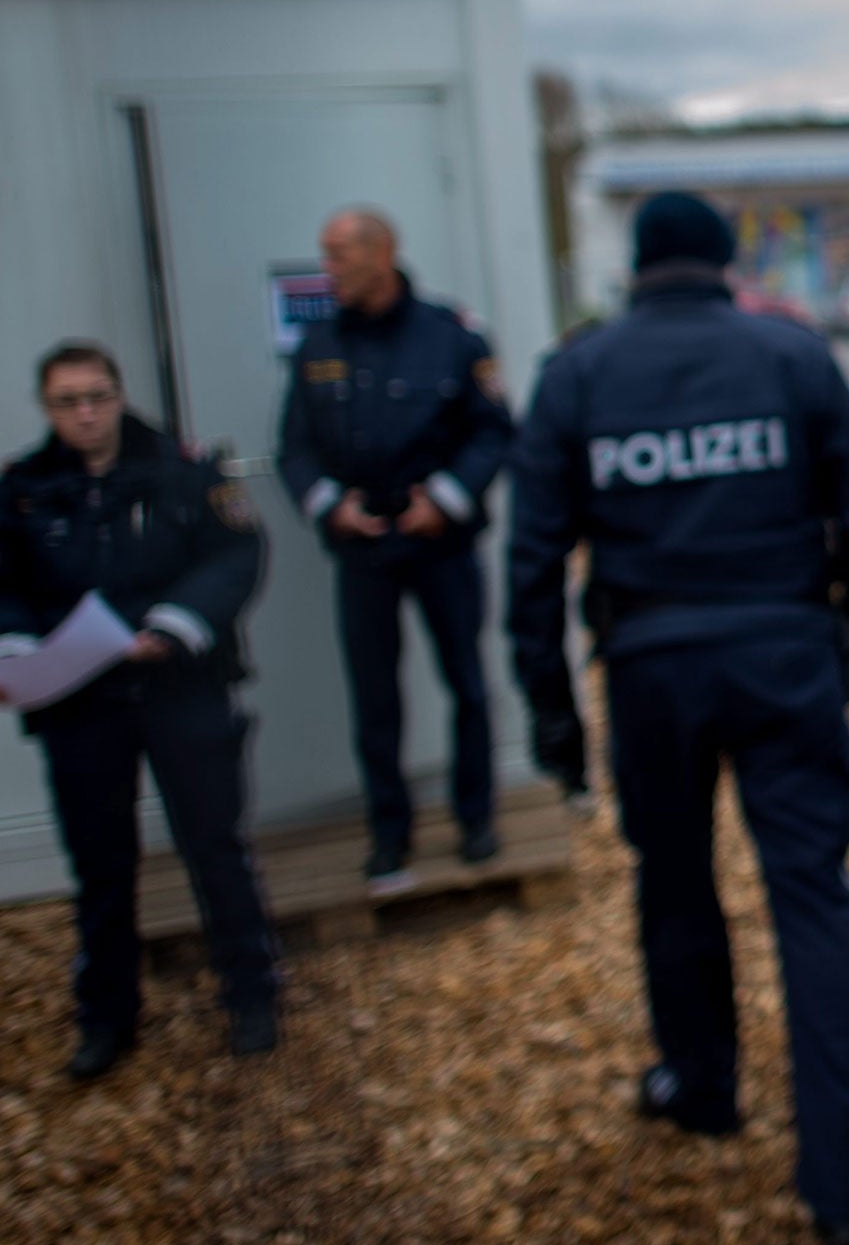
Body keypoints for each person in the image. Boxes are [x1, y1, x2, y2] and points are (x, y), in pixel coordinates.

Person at [505, 190, 849, 1245]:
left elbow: (532, 560)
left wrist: (552, 712)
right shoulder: (789, 355)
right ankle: (845, 1184)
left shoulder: (578, 372)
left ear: (636, 265)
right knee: (812, 898)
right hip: (781, 653)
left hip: (649, 669)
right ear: (723, 262)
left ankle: (702, 1087)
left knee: (673, 884)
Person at [0, 342, 280, 1078]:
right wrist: (15, 650)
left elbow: (236, 552)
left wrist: (177, 625)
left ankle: (252, 995)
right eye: (68, 402)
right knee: (100, 864)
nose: (87, 414)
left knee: (215, 846)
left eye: (98, 396)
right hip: (80, 700)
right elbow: (8, 585)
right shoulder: (25, 489)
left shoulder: (183, 471)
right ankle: (106, 1016)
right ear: (48, 408)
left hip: (178, 686)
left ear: (119, 395)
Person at [278, 208, 514, 888]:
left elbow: (494, 430)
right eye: (325, 255)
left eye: (339, 255)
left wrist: (444, 498)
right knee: (375, 697)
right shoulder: (318, 341)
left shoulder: (451, 336)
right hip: (363, 547)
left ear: (382, 254)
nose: (329, 269)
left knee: (467, 683)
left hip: (440, 542)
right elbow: (294, 444)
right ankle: (390, 834)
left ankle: (476, 819)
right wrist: (329, 505)